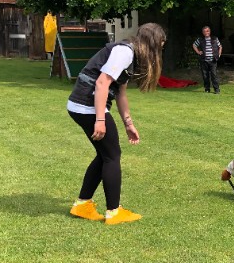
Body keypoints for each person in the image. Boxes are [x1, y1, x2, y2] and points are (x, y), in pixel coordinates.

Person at [67, 22, 166, 225]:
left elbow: (120, 92)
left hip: (82, 106)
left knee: (105, 155)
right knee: (112, 156)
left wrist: (128, 123)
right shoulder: (124, 52)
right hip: (87, 106)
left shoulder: (131, 54)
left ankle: (82, 205)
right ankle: (113, 212)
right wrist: (100, 120)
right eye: (160, 45)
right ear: (153, 43)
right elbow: (101, 83)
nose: (160, 51)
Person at [192, 25, 222, 94]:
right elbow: (194, 45)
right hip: (204, 60)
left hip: (213, 60)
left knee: (214, 75)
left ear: (210, 31)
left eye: (207, 31)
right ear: (203, 33)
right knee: (205, 76)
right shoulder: (200, 39)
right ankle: (207, 89)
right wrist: (198, 52)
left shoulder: (215, 39)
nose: (206, 33)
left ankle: (216, 90)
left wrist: (219, 54)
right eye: (205, 31)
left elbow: (220, 46)